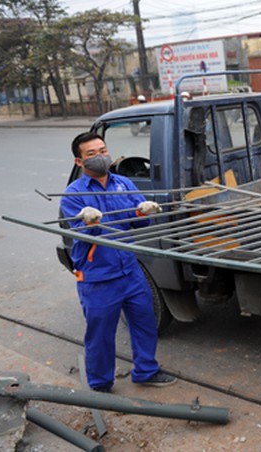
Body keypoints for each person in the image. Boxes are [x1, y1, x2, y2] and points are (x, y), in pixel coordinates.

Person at [60, 132, 177, 392]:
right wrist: (87, 221)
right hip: (98, 276)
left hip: (130, 271)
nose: (101, 157)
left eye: (103, 150)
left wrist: (143, 211)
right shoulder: (73, 194)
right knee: (100, 334)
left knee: (144, 322)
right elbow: (78, 231)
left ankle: (146, 370)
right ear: (79, 162)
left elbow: (138, 221)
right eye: (92, 154)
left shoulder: (123, 183)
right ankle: (101, 384)